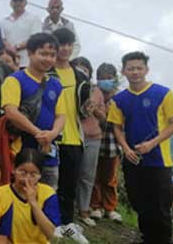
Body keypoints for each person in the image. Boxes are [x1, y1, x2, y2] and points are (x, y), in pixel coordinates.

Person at [108, 51, 173, 244]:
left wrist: (152, 143)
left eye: (139, 68)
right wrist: (126, 148)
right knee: (139, 202)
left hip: (159, 161)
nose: (135, 72)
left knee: (161, 206)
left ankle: (164, 240)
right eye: (130, 68)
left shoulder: (163, 93)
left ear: (146, 69)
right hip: (133, 161)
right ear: (123, 71)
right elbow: (116, 126)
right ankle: (146, 238)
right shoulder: (119, 100)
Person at [1, 33, 66, 187]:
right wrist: (37, 132)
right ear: (30, 53)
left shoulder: (56, 85)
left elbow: (61, 115)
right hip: (21, 149)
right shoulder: (15, 80)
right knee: (21, 194)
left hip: (48, 150)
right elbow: (11, 112)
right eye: (43, 54)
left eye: (52, 55)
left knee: (48, 194)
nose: (48, 59)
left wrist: (52, 134)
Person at [50, 29, 88, 242]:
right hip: (51, 136)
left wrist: (88, 107)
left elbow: (82, 110)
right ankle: (52, 222)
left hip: (74, 136)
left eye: (68, 44)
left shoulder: (80, 75)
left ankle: (68, 223)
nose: (64, 49)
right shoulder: (45, 72)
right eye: (60, 44)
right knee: (49, 184)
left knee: (69, 183)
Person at [2, 148, 61, 244]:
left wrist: (33, 203)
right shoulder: (0, 194)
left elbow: (53, 236)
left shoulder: (47, 193)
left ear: (40, 175)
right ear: (13, 169)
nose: (27, 179)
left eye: (33, 174)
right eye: (22, 172)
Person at [88, 63, 122, 223]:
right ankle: (95, 206)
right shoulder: (93, 94)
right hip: (94, 141)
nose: (105, 81)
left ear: (114, 79)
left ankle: (110, 208)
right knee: (93, 176)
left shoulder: (119, 98)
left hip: (112, 144)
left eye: (109, 78)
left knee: (110, 178)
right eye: (102, 78)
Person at [71, 57, 101, 227]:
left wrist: (94, 109)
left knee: (87, 175)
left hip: (92, 138)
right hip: (73, 135)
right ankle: (67, 209)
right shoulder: (68, 85)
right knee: (69, 173)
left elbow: (104, 117)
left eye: (85, 68)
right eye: (78, 68)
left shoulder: (96, 91)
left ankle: (83, 210)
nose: (82, 71)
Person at [0, 0, 43, 67]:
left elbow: (35, 38)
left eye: (21, 0)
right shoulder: (3, 21)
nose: (18, 3)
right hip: (9, 64)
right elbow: (3, 39)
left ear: (26, 2)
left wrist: (17, 47)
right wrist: (12, 51)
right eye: (15, 0)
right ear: (11, 3)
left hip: (29, 63)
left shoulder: (34, 18)